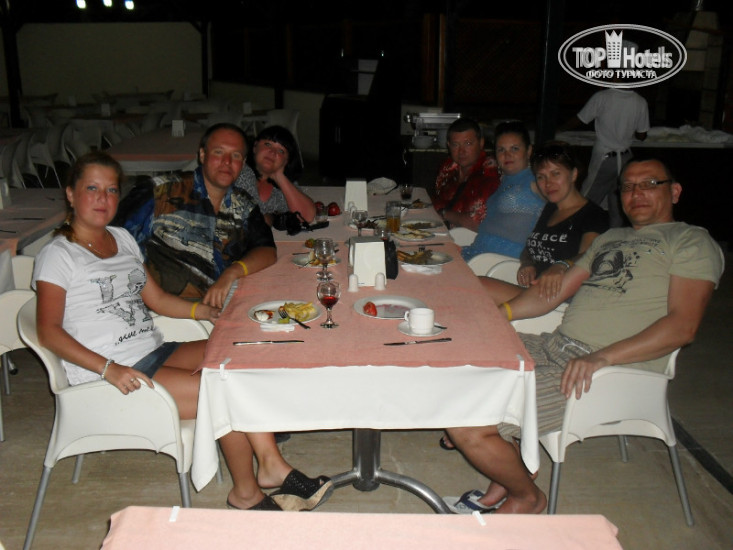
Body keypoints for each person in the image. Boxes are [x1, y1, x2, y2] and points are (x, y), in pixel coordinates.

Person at [33, 151, 334, 511]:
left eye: (111, 190)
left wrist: (201, 311)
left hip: (151, 351)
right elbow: (48, 331)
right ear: (71, 194)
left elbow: (157, 299)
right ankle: (248, 491)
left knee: (238, 356)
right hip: (111, 373)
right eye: (92, 189)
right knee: (225, 390)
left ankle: (269, 466)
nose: (103, 199)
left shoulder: (121, 239)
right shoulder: (58, 255)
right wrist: (108, 368)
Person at [444, 158, 724, 515]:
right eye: (628, 186)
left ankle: (527, 497)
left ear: (675, 191)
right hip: (554, 345)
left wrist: (600, 357)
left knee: (465, 420)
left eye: (649, 184)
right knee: (452, 367)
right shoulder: (611, 238)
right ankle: (509, 472)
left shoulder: (691, 241)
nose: (636, 193)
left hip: (606, 369)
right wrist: (503, 314)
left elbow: (683, 326)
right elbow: (552, 295)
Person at [115, 123, 276, 309]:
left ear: (243, 162)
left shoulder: (244, 205)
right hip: (164, 313)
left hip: (221, 307)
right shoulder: (160, 192)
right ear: (202, 155)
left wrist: (231, 273)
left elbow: (267, 250)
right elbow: (112, 242)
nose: (227, 161)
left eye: (236, 155)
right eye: (218, 152)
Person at [480, 141, 609, 304]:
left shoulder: (593, 215)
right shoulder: (550, 209)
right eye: (541, 177)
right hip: (534, 292)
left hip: (559, 299)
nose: (548, 183)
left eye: (556, 174)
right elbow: (529, 248)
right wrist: (527, 263)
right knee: (473, 285)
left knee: (480, 286)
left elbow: (588, 255)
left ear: (573, 174)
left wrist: (562, 265)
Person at [461, 120, 545, 261]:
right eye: (501, 150)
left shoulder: (537, 180)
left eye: (514, 149)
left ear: (529, 151)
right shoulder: (503, 179)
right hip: (477, 255)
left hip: (505, 264)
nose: (507, 155)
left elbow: (565, 203)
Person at [569, 88, 649, 228]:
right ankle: (613, 236)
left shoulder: (602, 97)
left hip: (605, 159)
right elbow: (642, 135)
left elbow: (581, 119)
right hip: (625, 160)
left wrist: (557, 129)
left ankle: (573, 232)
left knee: (586, 199)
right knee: (617, 204)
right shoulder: (640, 101)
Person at [239, 125, 316, 224]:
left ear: (286, 161)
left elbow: (307, 217)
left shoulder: (282, 188)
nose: (273, 152)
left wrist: (279, 176)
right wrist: (268, 218)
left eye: (281, 151)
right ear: (255, 147)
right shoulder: (239, 172)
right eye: (268, 144)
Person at [432, 118, 500, 230]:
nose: (461, 151)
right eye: (455, 145)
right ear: (448, 145)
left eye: (468, 144)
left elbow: (477, 222)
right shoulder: (447, 168)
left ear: (481, 143)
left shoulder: (489, 171)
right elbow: (437, 203)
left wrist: (445, 214)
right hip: (442, 231)